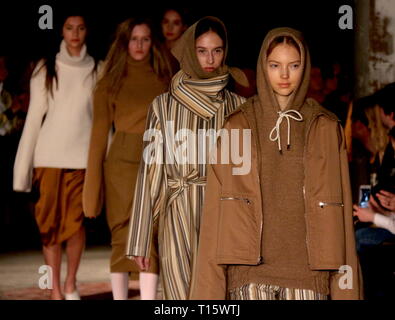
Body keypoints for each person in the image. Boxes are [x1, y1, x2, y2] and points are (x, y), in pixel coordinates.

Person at [190, 27, 362, 300]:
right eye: (275, 65)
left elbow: (341, 217)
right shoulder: (238, 126)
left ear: (304, 68)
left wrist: (346, 290)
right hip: (250, 276)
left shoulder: (326, 127)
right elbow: (215, 215)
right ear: (263, 67)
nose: (284, 75)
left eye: (293, 65)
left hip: (309, 277)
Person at [126, 16, 247, 300]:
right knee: (179, 297)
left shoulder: (238, 107)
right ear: (190, 53)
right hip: (177, 211)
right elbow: (151, 172)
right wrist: (140, 238)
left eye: (217, 50)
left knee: (218, 298)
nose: (210, 58)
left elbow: (244, 174)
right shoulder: (164, 106)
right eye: (202, 51)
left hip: (222, 215)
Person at [83, 17, 173, 300]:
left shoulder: (165, 77)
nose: (139, 45)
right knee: (122, 233)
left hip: (156, 158)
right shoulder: (110, 81)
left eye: (145, 39)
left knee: (151, 234)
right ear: (124, 42)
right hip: (120, 162)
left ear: (152, 42)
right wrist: (90, 189)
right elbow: (98, 135)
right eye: (134, 39)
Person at [13, 13, 100, 300]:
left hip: (82, 160)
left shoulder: (98, 69)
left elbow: (101, 120)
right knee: (49, 226)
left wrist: (106, 161)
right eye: (69, 27)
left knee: (75, 225)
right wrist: (22, 170)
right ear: (61, 31)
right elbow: (34, 119)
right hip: (48, 158)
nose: (75, 33)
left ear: (87, 31)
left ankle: (71, 283)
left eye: (81, 27)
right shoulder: (46, 68)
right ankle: (55, 290)